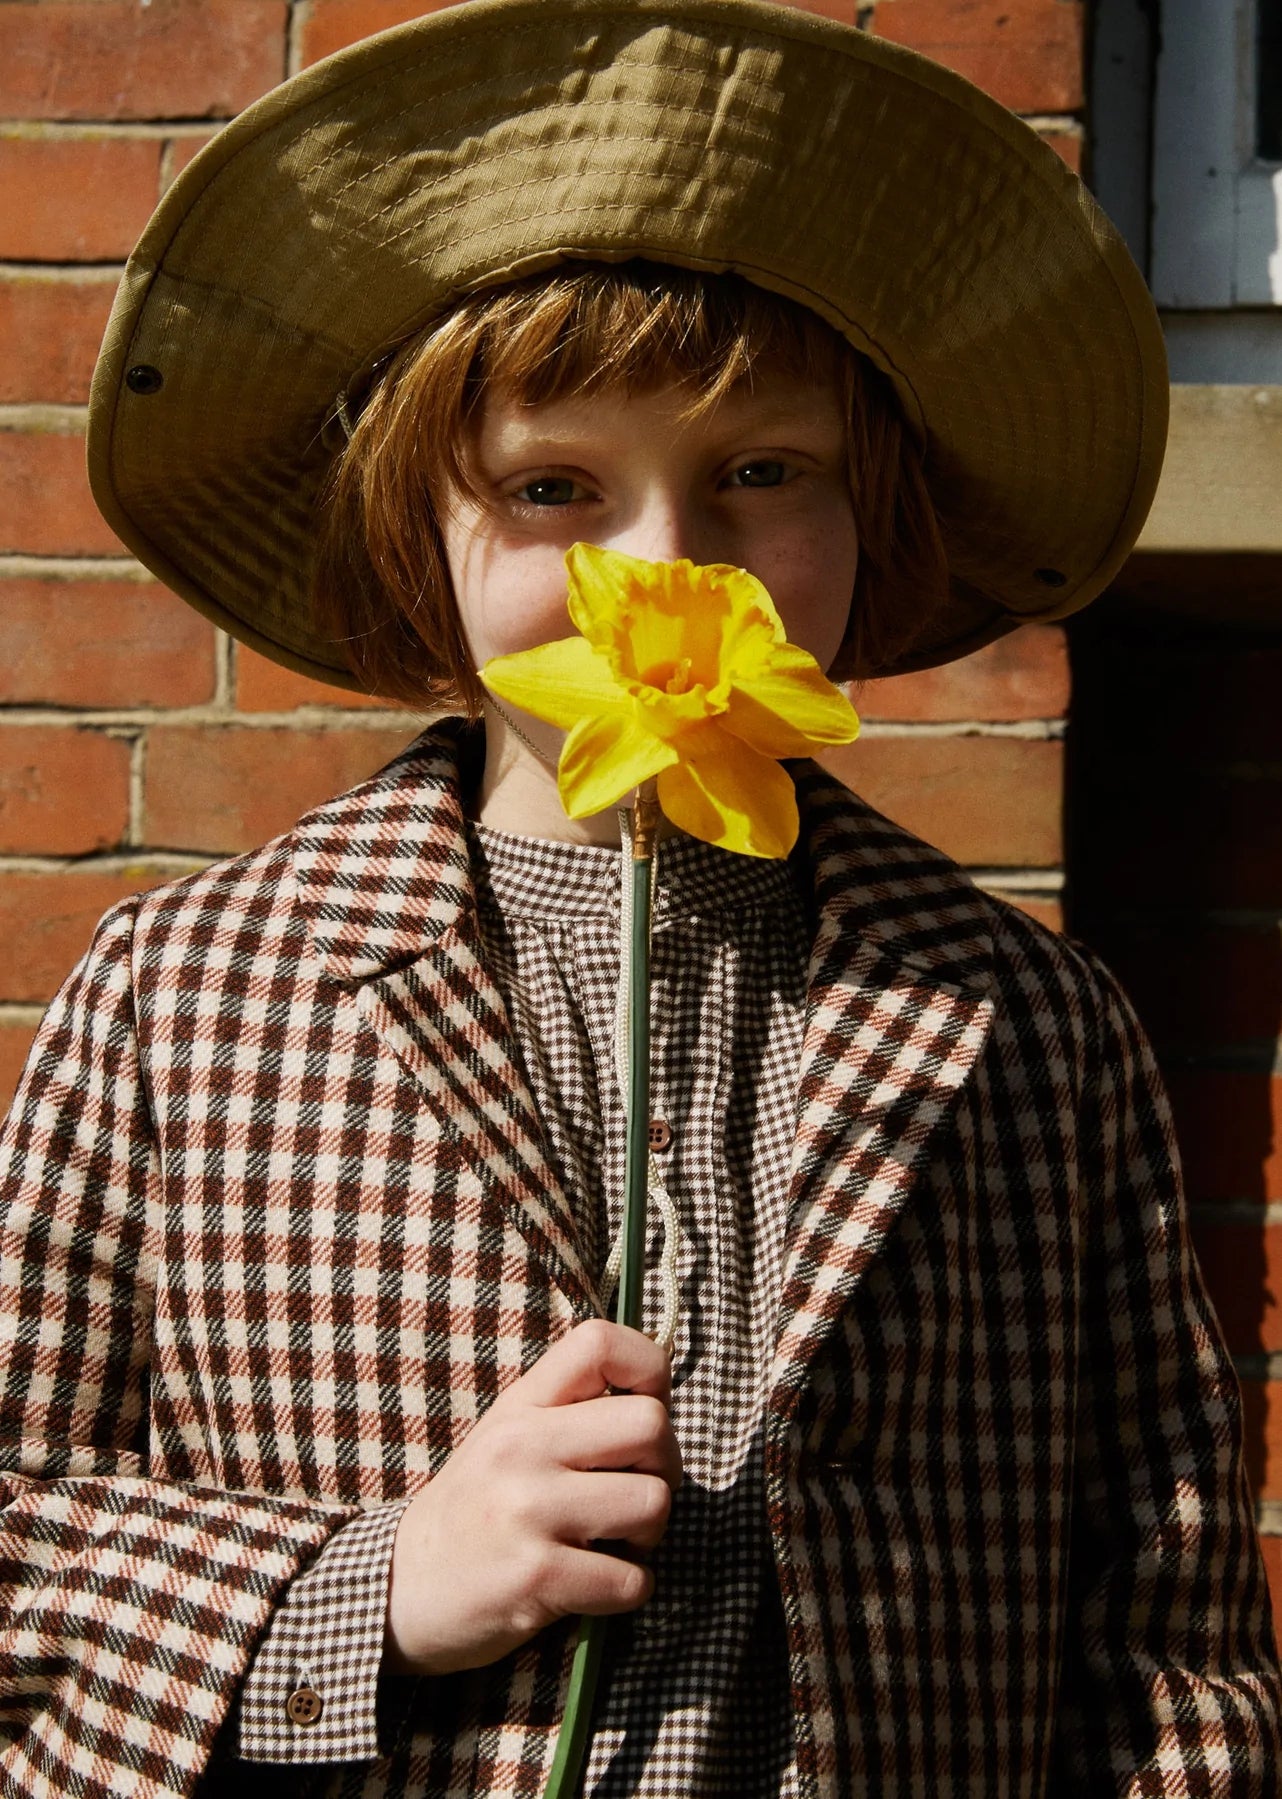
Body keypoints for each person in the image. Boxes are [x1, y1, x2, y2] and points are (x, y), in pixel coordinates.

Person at [1, 2, 1279, 1795]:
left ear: (871, 503)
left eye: (763, 472)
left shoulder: (1028, 1023)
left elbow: (1168, 1628)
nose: (664, 565)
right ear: (408, 534)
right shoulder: (183, 998)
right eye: (552, 488)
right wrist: (358, 1591)